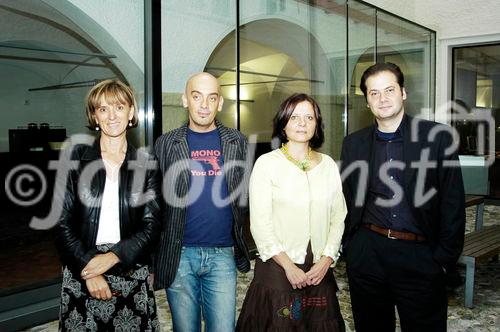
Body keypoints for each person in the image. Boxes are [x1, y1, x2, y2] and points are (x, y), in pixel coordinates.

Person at [340, 62, 466, 332]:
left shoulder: (438, 138)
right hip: (368, 253)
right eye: (373, 93)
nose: (382, 98)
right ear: (367, 101)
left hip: (420, 256)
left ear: (403, 92)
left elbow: (453, 204)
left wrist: (442, 260)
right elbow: (348, 199)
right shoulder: (353, 144)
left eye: (389, 90)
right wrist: (352, 248)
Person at [54, 79, 162, 331]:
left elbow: (152, 225)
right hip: (82, 268)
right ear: (95, 116)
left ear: (132, 112)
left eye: (119, 107)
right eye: (103, 109)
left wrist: (113, 257)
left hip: (130, 269)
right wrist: (89, 270)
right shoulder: (74, 157)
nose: (112, 116)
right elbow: (61, 222)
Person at [236, 93, 346, 331]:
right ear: (283, 123)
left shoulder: (328, 165)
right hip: (278, 268)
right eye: (295, 117)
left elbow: (338, 217)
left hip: (318, 268)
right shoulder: (267, 163)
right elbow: (260, 224)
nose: (302, 123)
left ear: (317, 124)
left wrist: (327, 258)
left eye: (309, 117)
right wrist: (288, 266)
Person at [153, 72, 251, 331]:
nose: (204, 105)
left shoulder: (237, 141)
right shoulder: (166, 143)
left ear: (220, 103)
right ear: (186, 100)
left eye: (211, 98)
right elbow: (155, 203)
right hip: (180, 254)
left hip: (222, 255)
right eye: (197, 97)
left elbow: (245, 196)